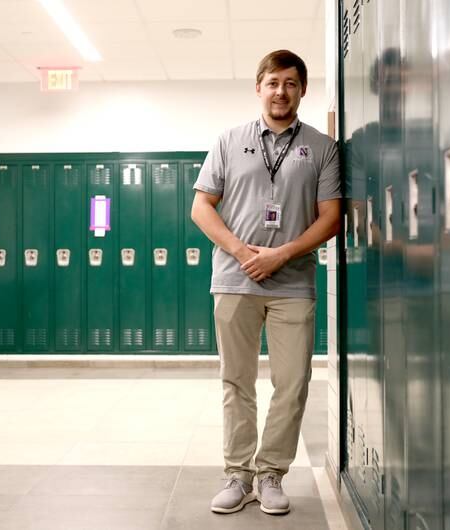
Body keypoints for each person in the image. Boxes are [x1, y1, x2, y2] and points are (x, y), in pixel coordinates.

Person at [190, 49, 341, 516]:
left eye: (291, 83)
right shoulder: (229, 141)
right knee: (236, 381)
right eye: (273, 82)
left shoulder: (321, 147)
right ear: (259, 87)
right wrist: (242, 253)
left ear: (302, 90)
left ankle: (271, 472)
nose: (281, 91)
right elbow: (201, 207)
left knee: (292, 382)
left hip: (293, 283)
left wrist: (282, 254)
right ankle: (238, 474)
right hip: (235, 281)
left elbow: (331, 218)